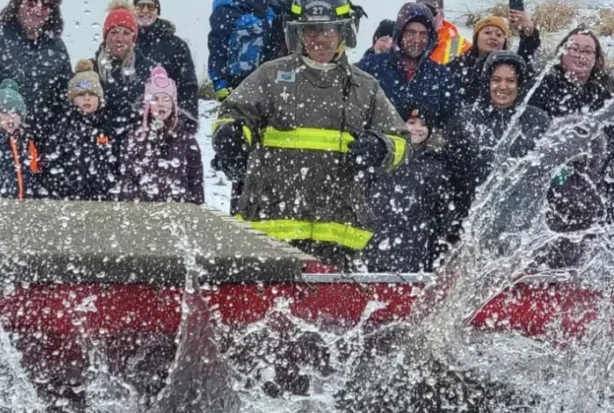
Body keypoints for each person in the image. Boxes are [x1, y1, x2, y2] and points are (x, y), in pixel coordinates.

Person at [212, 0, 410, 271]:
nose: (319, 39)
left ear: (343, 33)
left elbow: (402, 141)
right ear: (297, 34)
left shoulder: (365, 87)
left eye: (328, 30)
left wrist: (380, 147)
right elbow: (232, 115)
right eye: (310, 31)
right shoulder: (271, 76)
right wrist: (231, 135)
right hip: (271, 228)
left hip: (339, 234)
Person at [528, 27, 614, 268]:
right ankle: (558, 269)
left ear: (596, 59)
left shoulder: (604, 94)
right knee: (577, 200)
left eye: (588, 51)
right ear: (562, 52)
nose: (581, 55)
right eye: (575, 48)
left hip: (598, 173)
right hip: (553, 174)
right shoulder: (543, 88)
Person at [444, 51, 551, 242]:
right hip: (473, 220)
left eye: (510, 81)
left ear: (519, 85)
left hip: (522, 222)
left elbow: (548, 171)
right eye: (496, 79)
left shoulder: (538, 120)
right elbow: (453, 178)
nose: (503, 86)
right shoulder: (465, 120)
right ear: (487, 82)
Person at [0, 0, 71, 167]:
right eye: (31, 3)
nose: (38, 10)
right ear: (17, 4)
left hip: (38, 155)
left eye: (46, 5)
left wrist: (56, 145)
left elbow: (64, 102)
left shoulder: (57, 48)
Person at [207, 0, 292, 215]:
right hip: (242, 91)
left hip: (282, 93)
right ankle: (242, 218)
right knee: (242, 158)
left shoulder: (283, 7)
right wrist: (220, 82)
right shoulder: (229, 8)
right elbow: (216, 45)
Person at [364, 106, 450, 272]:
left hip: (416, 251)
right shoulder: (381, 160)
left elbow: (442, 212)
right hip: (376, 248)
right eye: (411, 122)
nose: (417, 128)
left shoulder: (435, 166)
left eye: (423, 124)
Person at [358, 3, 458, 129]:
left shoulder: (441, 75)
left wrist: (433, 139)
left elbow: (452, 122)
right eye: (411, 32)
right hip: (379, 146)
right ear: (399, 34)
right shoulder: (371, 66)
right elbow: (355, 112)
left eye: (423, 34)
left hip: (424, 148)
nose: (417, 40)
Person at [120, 66, 205, 204]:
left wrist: (197, 205)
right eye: (155, 99)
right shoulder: (135, 138)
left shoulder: (186, 139)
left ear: (174, 104)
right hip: (143, 211)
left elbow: (195, 179)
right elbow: (128, 178)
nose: (161, 104)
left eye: (166, 99)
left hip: (179, 210)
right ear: (147, 104)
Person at [44, 60, 120, 201]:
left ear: (100, 99)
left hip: (103, 201)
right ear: (72, 100)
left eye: (91, 94)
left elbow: (116, 163)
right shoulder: (62, 128)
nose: (87, 98)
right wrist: (61, 188)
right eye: (81, 94)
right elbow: (51, 163)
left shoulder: (108, 128)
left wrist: (110, 187)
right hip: (70, 200)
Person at [91, 2, 158, 147]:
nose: (119, 38)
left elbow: (163, 111)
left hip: (138, 152)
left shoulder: (150, 70)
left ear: (134, 38)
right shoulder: (91, 69)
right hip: (99, 151)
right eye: (113, 32)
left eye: (126, 33)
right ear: (105, 36)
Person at [133, 0, 200, 132]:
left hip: (167, 126)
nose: (145, 10)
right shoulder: (122, 41)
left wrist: (188, 123)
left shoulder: (177, 46)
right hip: (129, 125)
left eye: (151, 6)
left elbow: (188, 87)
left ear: (158, 11)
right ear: (133, 9)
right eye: (140, 5)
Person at [447, 13, 541, 107]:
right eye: (487, 33)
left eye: (499, 35)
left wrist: (529, 33)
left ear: (504, 43)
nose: (493, 37)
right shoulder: (457, 65)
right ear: (476, 38)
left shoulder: (511, 66)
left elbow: (526, 57)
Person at [416, 0, 470, 64]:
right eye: (421, 11)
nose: (427, 16)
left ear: (442, 15)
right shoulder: (404, 38)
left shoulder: (463, 47)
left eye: (431, 11)